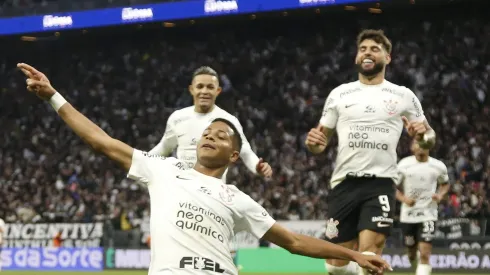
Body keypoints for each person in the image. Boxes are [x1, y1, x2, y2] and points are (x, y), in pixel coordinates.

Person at [18, 63, 392, 275]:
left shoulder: (236, 197)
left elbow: (294, 242)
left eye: (221, 135)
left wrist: (356, 255)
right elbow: (100, 140)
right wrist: (54, 96)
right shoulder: (162, 170)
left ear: (234, 155)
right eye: (206, 133)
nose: (209, 136)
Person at [304, 29, 437, 275]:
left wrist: (423, 137)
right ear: (356, 57)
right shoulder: (339, 94)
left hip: (381, 184)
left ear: (388, 58)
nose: (367, 52)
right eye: (363, 49)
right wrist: (313, 142)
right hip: (344, 184)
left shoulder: (403, 95)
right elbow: (319, 144)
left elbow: (430, 137)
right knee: (336, 266)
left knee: (370, 256)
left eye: (375, 49)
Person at [149, 66, 272, 180]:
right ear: (191, 89)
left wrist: (257, 166)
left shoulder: (228, 120)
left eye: (210, 87)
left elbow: (245, 151)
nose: (204, 91)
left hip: (213, 193)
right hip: (183, 192)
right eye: (200, 86)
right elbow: (164, 147)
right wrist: (135, 159)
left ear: (218, 91)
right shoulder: (177, 117)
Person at [396, 140, 449, 275]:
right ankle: (417, 264)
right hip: (408, 215)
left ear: (429, 147)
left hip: (428, 213)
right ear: (412, 147)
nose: (420, 147)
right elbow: (392, 187)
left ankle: (423, 265)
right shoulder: (403, 164)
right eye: (417, 144)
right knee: (411, 254)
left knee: (425, 253)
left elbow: (445, 184)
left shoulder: (438, 166)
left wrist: (440, 195)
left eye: (424, 144)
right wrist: (404, 199)